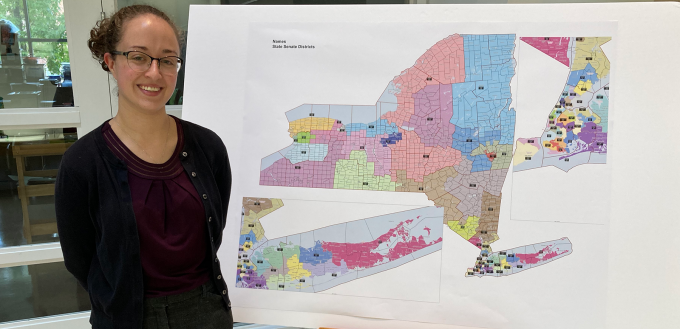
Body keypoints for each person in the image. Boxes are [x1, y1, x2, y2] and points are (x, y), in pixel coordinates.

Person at [55, 5, 233, 329]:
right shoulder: (82, 164)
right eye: (138, 57)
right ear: (111, 61)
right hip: (127, 317)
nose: (155, 73)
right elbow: (80, 260)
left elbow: (214, 231)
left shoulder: (208, 148)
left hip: (207, 312)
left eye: (167, 60)